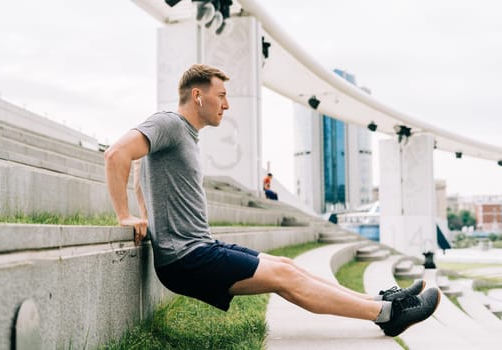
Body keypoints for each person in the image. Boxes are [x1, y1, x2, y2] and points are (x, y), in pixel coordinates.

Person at [104, 63, 440, 337]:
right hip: (187, 259)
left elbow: (138, 174)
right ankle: (388, 314)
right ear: (197, 95)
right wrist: (125, 216)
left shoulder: (183, 135)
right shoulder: (170, 124)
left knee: (286, 266)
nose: (227, 104)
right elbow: (117, 154)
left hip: (198, 248)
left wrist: (147, 216)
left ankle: (377, 300)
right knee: (286, 279)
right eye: (221, 95)